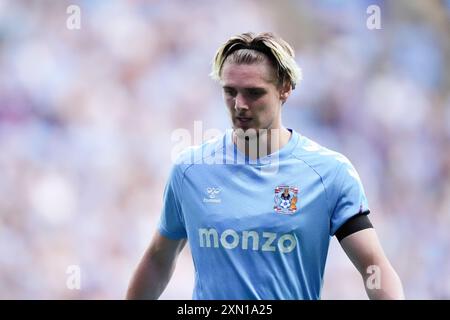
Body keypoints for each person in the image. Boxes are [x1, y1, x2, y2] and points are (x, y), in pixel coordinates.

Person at [126, 32, 404, 300]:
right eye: (230, 92)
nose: (240, 105)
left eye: (254, 93)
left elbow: (373, 266)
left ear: (285, 89)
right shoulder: (190, 170)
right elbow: (158, 259)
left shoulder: (328, 173)